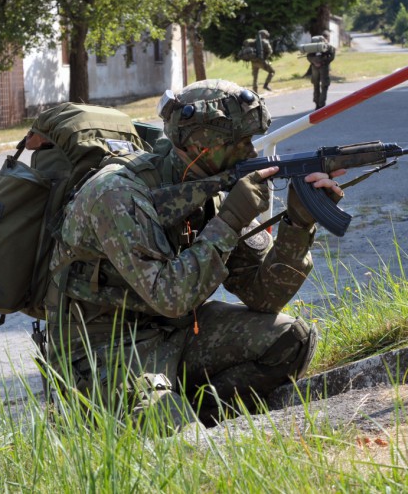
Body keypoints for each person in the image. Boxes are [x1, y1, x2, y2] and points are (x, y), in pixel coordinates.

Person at [43, 79, 344, 433]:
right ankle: (111, 415)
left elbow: (264, 296)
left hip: (178, 333)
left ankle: (190, 411)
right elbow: (170, 298)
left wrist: (298, 222)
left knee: (291, 340)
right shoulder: (116, 194)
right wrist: (230, 219)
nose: (252, 153)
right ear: (202, 145)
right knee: (176, 436)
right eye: (241, 142)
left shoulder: (214, 185)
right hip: (105, 349)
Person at [307, 31, 336, 110]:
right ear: (327, 37)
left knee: (316, 85)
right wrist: (324, 62)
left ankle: (317, 103)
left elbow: (308, 56)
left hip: (314, 68)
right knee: (324, 85)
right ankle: (321, 104)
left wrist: (314, 62)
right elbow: (332, 56)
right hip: (324, 67)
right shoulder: (328, 45)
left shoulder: (313, 46)